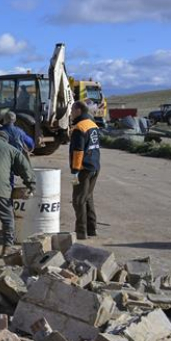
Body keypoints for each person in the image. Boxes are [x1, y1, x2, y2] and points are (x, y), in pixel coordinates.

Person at [69, 101, 101, 240]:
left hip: (83, 169)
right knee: (88, 197)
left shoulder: (79, 128)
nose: (70, 113)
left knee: (78, 200)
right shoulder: (93, 125)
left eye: (72, 110)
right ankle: (91, 228)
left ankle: (81, 232)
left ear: (78, 110)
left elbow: (78, 151)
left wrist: (75, 170)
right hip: (94, 166)